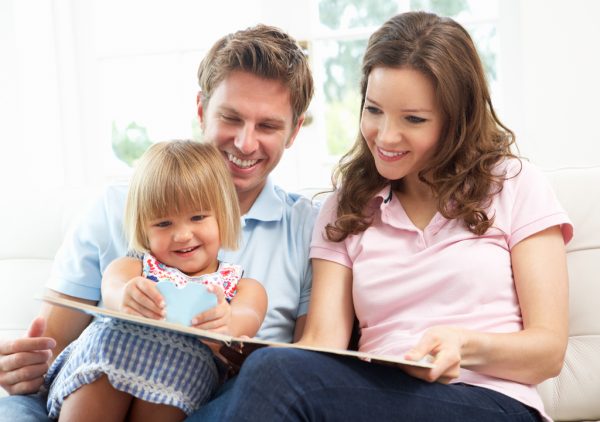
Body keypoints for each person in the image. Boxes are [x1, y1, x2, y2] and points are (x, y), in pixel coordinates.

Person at [219, 11, 572, 421]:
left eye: (414, 119)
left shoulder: (514, 184)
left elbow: (548, 353)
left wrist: (463, 345)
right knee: (268, 371)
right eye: (374, 110)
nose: (385, 136)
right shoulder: (347, 206)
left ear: (457, 120)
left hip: (493, 403)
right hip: (378, 400)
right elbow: (322, 343)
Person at [0, 24, 316, 421]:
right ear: (201, 110)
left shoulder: (306, 228)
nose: (245, 143)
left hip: (209, 401)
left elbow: (306, 375)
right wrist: (22, 368)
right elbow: (49, 347)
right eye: (230, 118)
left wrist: (228, 330)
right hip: (95, 383)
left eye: (267, 126)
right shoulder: (117, 206)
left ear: (294, 131)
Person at [44, 140, 267, 421]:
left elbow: (248, 316)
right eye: (163, 223)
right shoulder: (134, 266)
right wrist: (126, 296)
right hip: (111, 354)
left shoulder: (242, 286)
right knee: (108, 341)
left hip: (181, 375)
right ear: (143, 228)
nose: (182, 235)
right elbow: (113, 287)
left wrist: (226, 320)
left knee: (187, 364)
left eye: (198, 217)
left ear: (224, 217)